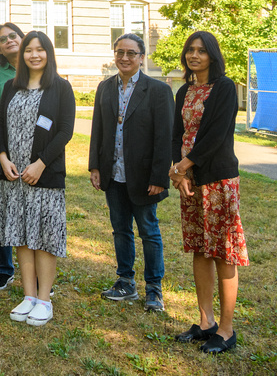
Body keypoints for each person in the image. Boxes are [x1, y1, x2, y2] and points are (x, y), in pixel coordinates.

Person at [169, 31, 248, 354]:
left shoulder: (225, 88)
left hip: (218, 180)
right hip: (190, 181)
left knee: (223, 252)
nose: (194, 55)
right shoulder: (184, 90)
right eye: (190, 50)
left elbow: (215, 137)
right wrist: (178, 169)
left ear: (212, 56)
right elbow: (176, 133)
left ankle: (227, 330)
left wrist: (184, 166)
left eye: (201, 51)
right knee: (200, 249)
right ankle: (205, 322)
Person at [0, 31, 75, 327]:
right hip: (13, 175)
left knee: (43, 236)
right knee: (20, 235)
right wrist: (3, 157)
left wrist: (40, 164)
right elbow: (0, 125)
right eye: (30, 50)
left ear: (48, 54)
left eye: (40, 50)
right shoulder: (9, 87)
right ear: (23, 55)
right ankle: (28, 296)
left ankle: (44, 300)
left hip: (44, 175)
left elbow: (65, 131)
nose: (34, 55)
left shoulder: (60, 88)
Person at [88, 33, 174, 312]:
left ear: (141, 57)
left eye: (131, 53)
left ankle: (153, 290)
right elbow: (97, 131)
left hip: (144, 178)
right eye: (120, 52)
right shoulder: (105, 88)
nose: (124, 58)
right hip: (114, 175)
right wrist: (95, 166)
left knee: (149, 231)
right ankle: (125, 281)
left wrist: (159, 178)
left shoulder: (158, 91)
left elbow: (164, 138)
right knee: (120, 229)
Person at [0, 22, 24, 290]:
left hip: (36, 151)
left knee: (32, 210)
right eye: (2, 39)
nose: (9, 41)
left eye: (13, 36)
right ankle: (4, 267)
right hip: (2, 150)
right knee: (2, 210)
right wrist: (5, 148)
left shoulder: (40, 70)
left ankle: (35, 271)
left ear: (23, 38)